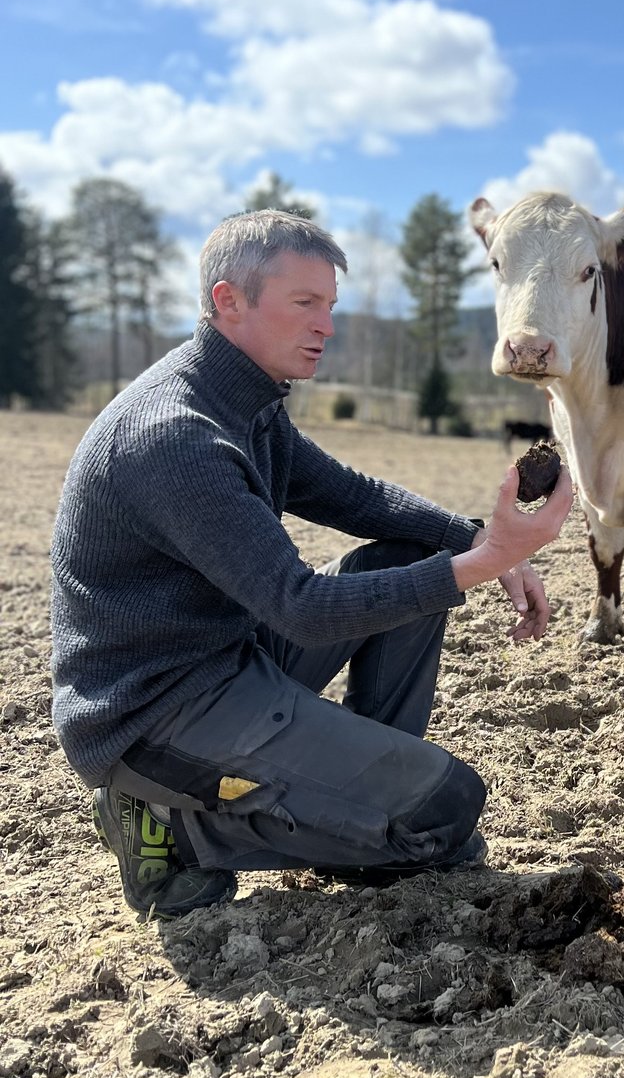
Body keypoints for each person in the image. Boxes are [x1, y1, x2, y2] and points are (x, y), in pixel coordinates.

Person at [50, 210, 573, 920]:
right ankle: (173, 827)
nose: (327, 325)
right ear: (229, 301)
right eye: (305, 304)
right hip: (153, 714)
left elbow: (350, 497)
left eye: (329, 305)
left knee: (412, 553)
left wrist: (468, 536)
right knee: (445, 815)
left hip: (226, 658)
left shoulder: (246, 400)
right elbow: (302, 608)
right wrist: (489, 560)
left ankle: (357, 808)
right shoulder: (177, 437)